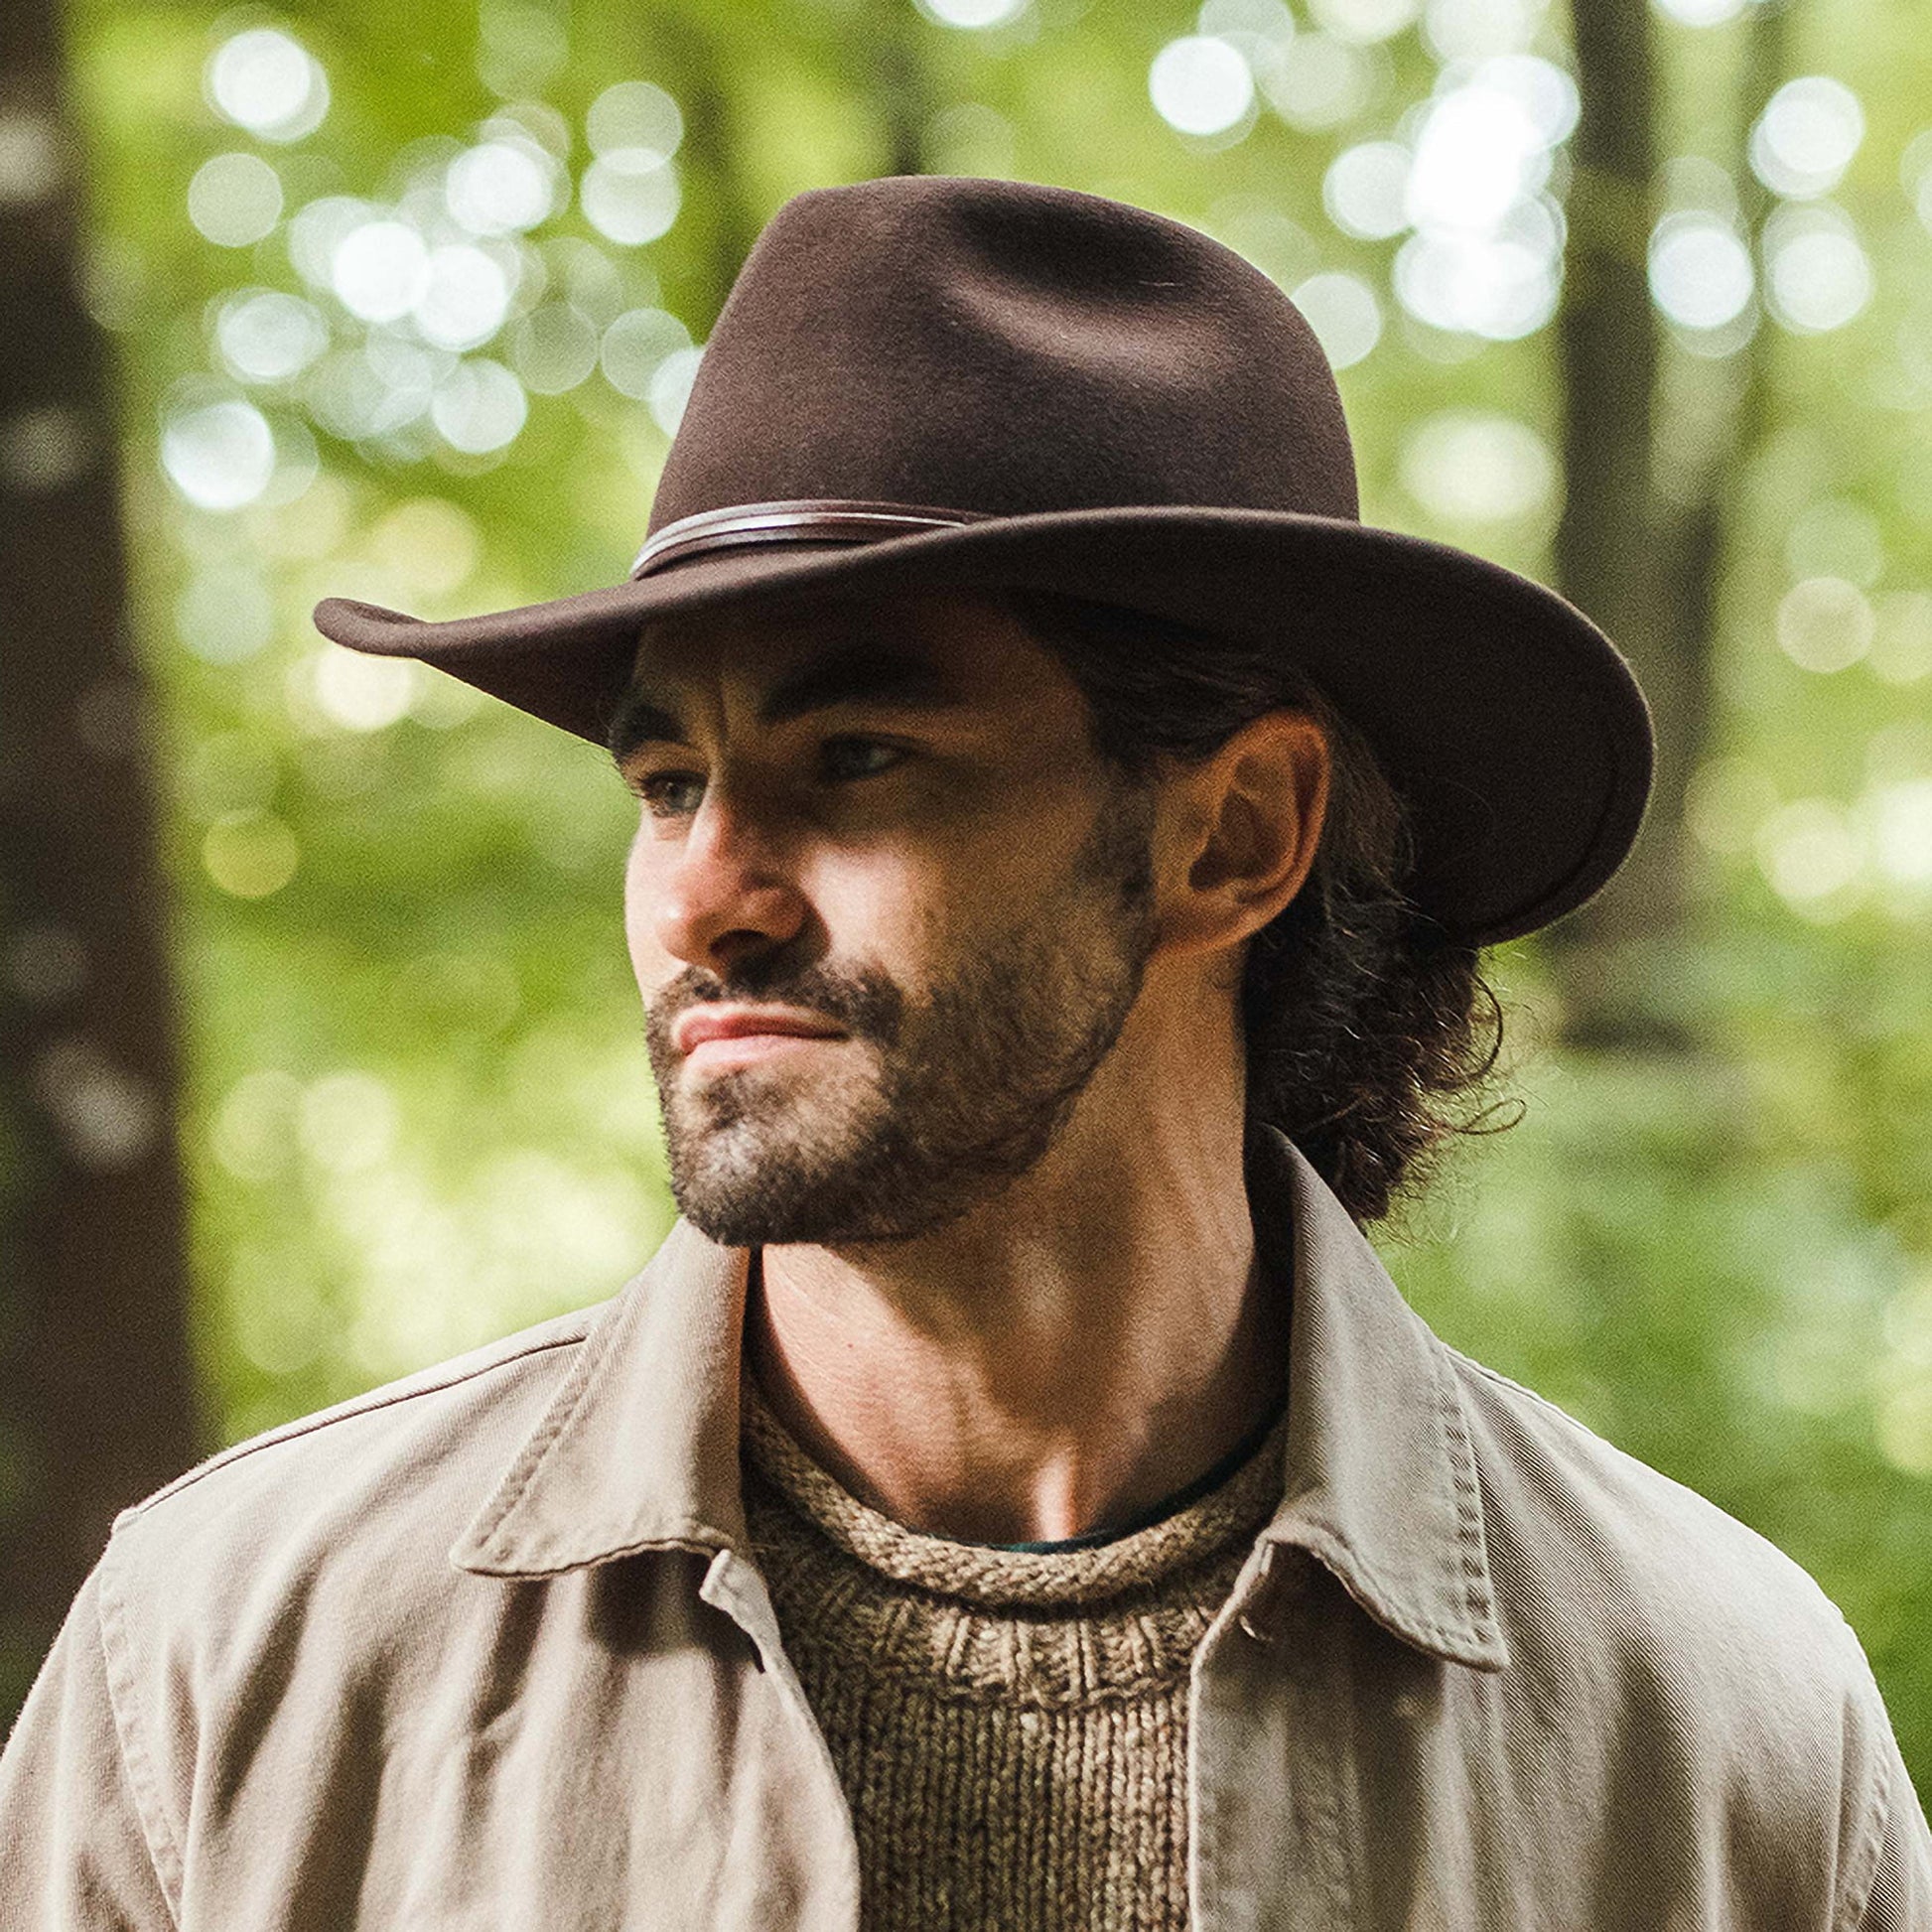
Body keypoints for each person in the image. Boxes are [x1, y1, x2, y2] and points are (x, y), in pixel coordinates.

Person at [2, 174, 1926, 1931]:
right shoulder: (225, 1676)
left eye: (855, 759)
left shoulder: (1717, 1741)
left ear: (1235, 834)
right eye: (669, 781)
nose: (706, 894)